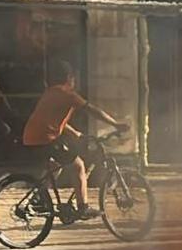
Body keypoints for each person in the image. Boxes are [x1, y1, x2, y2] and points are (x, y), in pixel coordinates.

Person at [22, 61, 128, 219]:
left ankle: (38, 199)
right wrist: (116, 124)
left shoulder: (51, 93)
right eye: (74, 78)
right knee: (78, 166)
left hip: (32, 138)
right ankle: (83, 207)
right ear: (69, 78)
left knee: (56, 165)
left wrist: (76, 133)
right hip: (45, 139)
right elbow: (93, 110)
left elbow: (55, 121)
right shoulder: (67, 94)